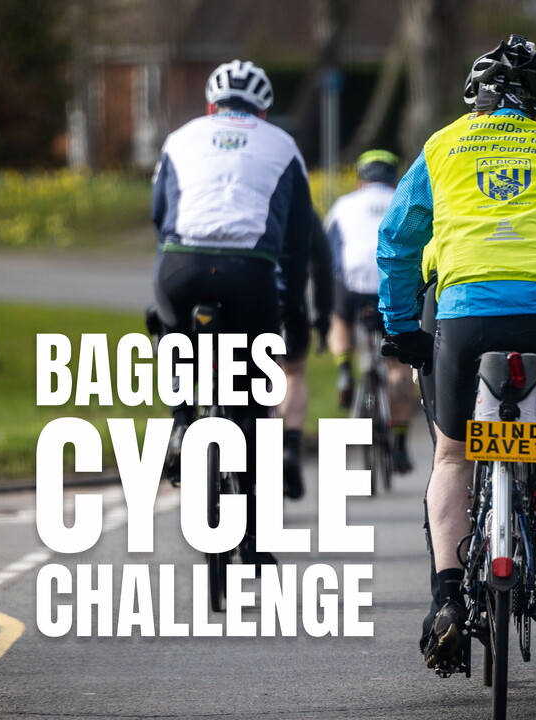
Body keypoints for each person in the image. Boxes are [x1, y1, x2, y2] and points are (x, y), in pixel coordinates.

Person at [376, 35, 536, 669]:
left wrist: (400, 323)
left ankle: (445, 600)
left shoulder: (442, 147)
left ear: (475, 99)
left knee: (452, 453)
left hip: (463, 319)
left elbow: (396, 240)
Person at [151, 59, 312, 565]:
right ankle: (258, 538)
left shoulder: (179, 138)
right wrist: (294, 313)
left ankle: (181, 422)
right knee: (258, 397)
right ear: (264, 110)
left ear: (209, 105)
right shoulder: (283, 146)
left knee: (167, 330)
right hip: (250, 273)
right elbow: (297, 244)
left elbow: (160, 214)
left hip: (181, 267)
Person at [326, 149, 418, 473]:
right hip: (391, 285)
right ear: (395, 177)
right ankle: (401, 443)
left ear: (360, 178)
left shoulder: (343, 205)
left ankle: (343, 367)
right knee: (397, 362)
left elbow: (330, 251)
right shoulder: (404, 200)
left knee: (338, 317)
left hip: (352, 287)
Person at [278, 213, 334, 499]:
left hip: (226, 291)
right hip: (288, 303)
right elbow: (322, 263)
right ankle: (289, 442)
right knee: (293, 373)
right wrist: (323, 314)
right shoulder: (293, 187)